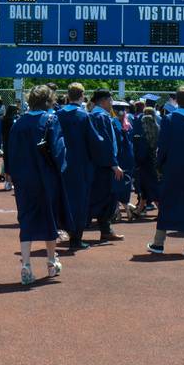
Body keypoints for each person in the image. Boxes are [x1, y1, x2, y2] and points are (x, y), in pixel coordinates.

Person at [6, 85, 74, 284]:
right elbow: (59, 150)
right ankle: (51, 262)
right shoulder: (51, 120)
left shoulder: (18, 124)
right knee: (49, 217)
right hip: (46, 177)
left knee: (26, 218)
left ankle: (26, 264)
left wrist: (12, 175)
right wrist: (63, 168)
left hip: (24, 180)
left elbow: (10, 152)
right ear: (49, 100)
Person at [147, 86, 184, 257]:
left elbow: (163, 146)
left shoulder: (169, 119)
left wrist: (159, 165)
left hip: (173, 169)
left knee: (168, 203)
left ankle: (159, 243)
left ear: (177, 101)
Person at [56, 82, 103, 250]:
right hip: (80, 166)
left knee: (63, 198)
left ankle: (62, 230)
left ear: (68, 95)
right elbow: (95, 140)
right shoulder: (83, 116)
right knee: (80, 201)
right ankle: (76, 239)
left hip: (61, 164)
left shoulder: (58, 114)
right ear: (82, 96)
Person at [87, 89, 125, 243]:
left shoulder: (96, 115)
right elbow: (104, 142)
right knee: (105, 197)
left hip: (101, 163)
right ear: (103, 100)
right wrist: (113, 164)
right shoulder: (99, 117)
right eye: (110, 100)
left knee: (105, 198)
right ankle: (75, 230)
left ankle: (106, 230)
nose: (111, 103)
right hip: (104, 165)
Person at [132, 107, 160, 217]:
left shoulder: (143, 138)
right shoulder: (157, 132)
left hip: (145, 165)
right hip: (154, 163)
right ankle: (139, 210)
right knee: (145, 188)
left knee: (150, 188)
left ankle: (162, 211)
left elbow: (141, 154)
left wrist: (137, 163)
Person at [0, 103, 19, 191]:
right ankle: (10, 182)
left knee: (6, 162)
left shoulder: (4, 119)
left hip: (5, 142)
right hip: (12, 144)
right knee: (12, 162)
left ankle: (7, 182)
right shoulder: (13, 121)